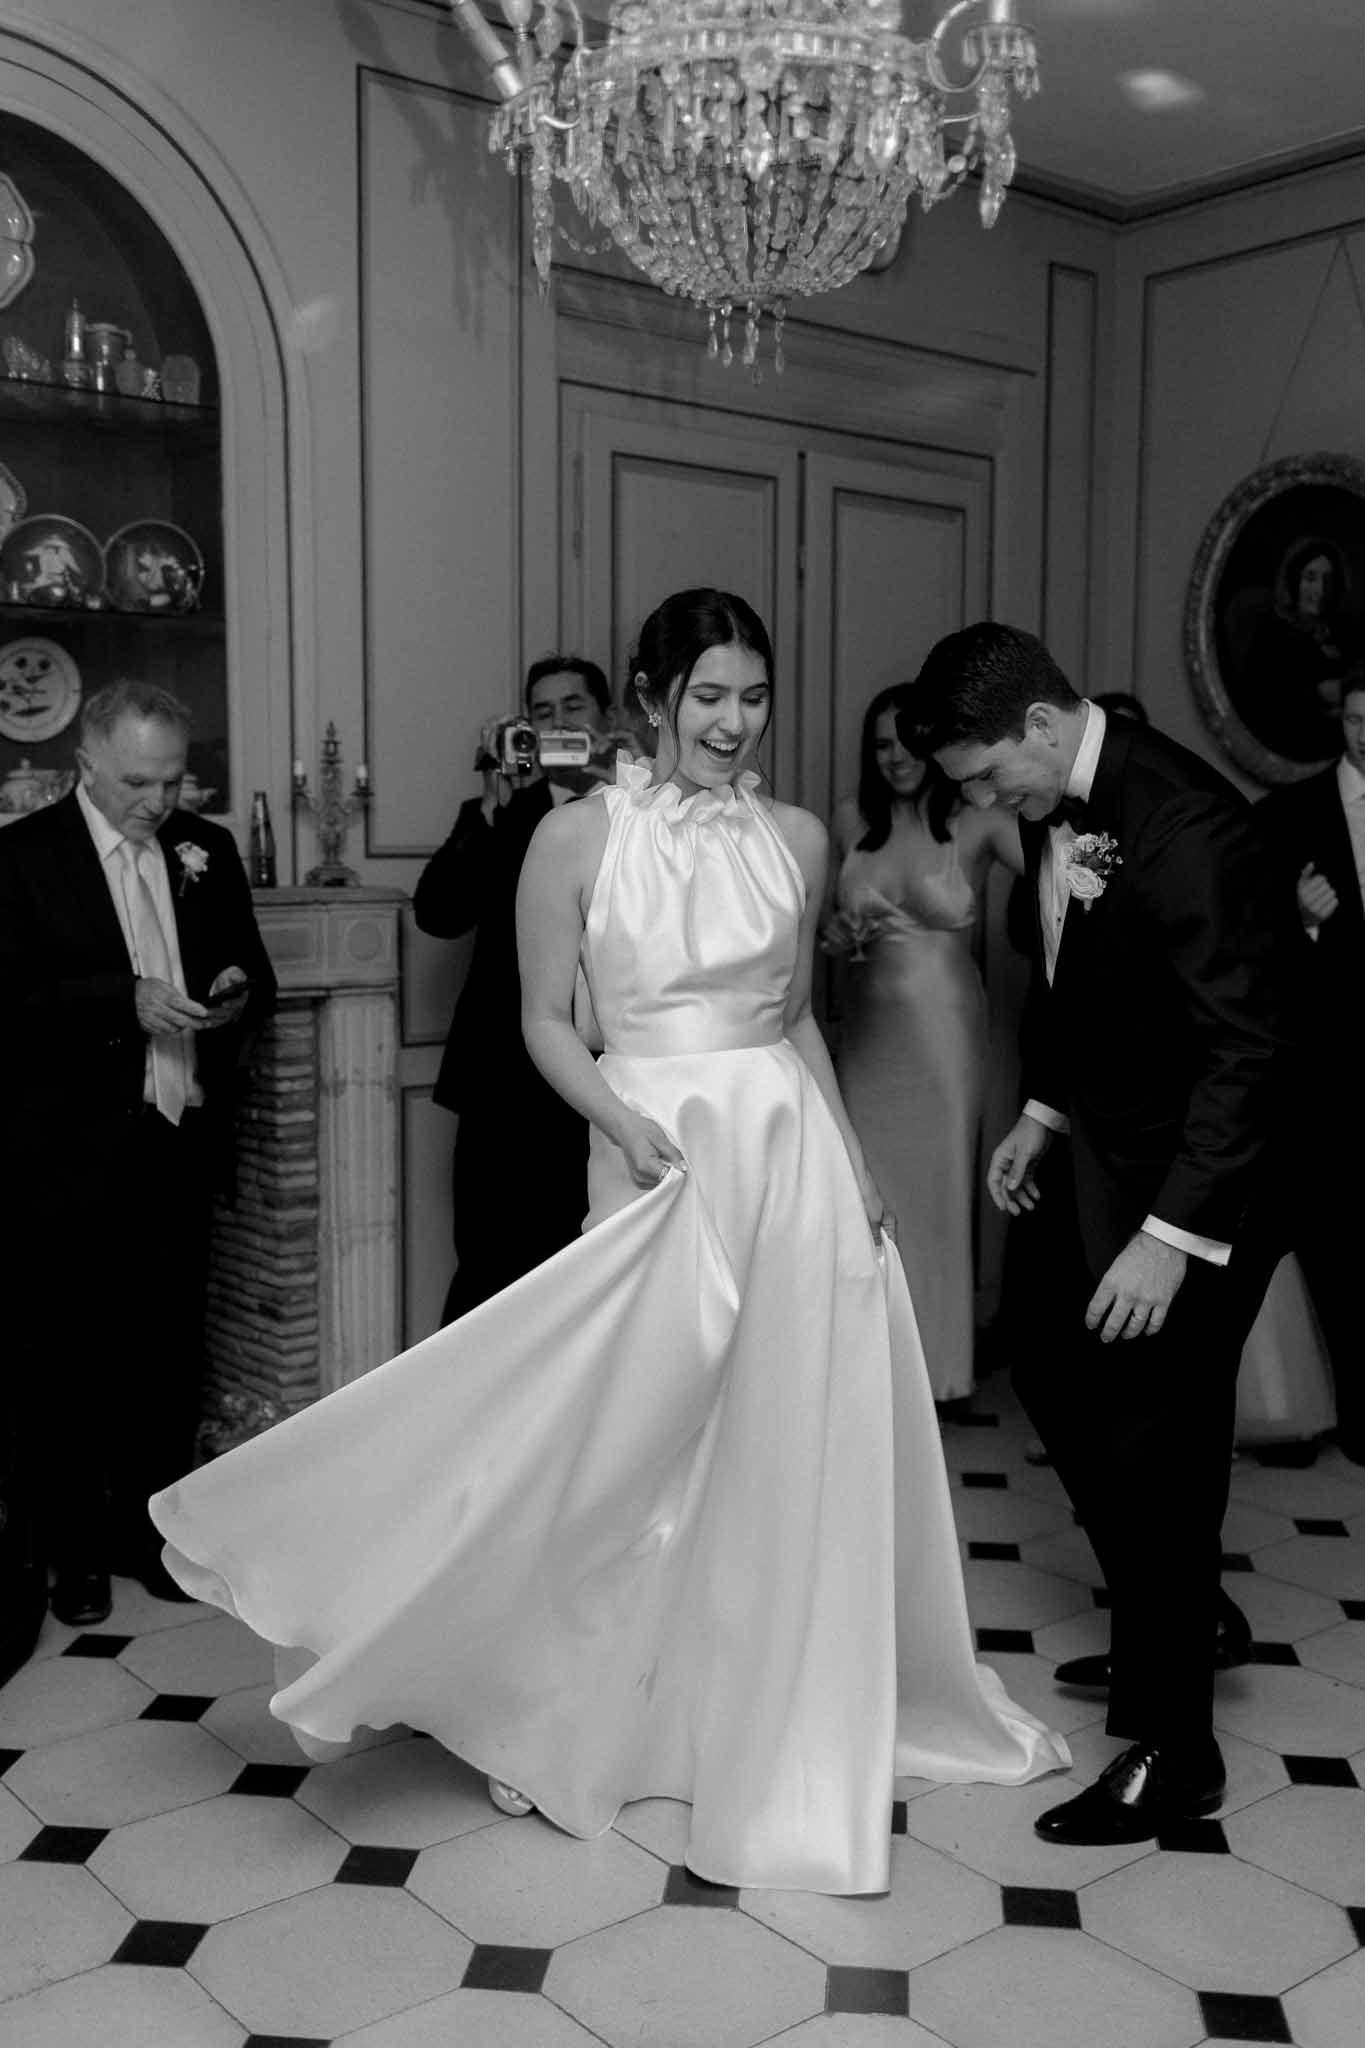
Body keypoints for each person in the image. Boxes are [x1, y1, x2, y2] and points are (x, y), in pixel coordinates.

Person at [150, 590, 1067, 1897]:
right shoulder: (575, 838)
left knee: (776, 1442)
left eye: (752, 695)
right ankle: (559, 1700)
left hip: (787, 1159)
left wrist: (854, 1171)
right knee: (626, 1442)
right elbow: (542, 1022)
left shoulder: (797, 834)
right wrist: (622, 1127)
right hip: (650, 1144)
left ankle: (751, 1703)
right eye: (707, 696)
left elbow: (796, 1021)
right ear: (652, 698)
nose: (734, 722)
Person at [909, 622, 1296, 1848]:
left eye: (982, 773)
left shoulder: (1187, 823)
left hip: (1212, 1181)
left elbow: (1250, 1052)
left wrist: (1171, 1237)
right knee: (1051, 1360)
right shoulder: (1052, 804)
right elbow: (1088, 992)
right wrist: (1039, 1111)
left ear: (1037, 724)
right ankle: (1181, 1609)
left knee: (1161, 1440)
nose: (978, 800)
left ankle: (1174, 1747)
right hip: (1106, 1145)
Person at [0, 679, 276, 1632]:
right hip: (67, 1158)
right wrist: (118, 1000)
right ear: (85, 764)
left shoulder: (211, 850)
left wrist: (237, 990)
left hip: (177, 1144)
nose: (158, 804)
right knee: (70, 1363)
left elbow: (253, 968)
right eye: (137, 783)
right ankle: (73, 1555)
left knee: (166, 1357)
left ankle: (151, 1539)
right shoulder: (21, 859)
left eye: (171, 781)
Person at [825, 683, 1022, 1405]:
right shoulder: (850, 821)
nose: (896, 758)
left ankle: (938, 1371)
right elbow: (821, 931)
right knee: (862, 1195)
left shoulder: (980, 817)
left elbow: (1071, 876)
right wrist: (837, 937)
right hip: (867, 1035)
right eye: (880, 746)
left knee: (938, 1197)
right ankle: (869, 1369)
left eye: (909, 742)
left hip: (942, 1039)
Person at [413, 656, 614, 1322]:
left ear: (604, 718)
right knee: (489, 1266)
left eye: (573, 709)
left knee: (586, 1265)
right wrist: (492, 812)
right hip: (499, 1081)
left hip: (601, 1076)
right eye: (542, 713)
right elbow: (438, 913)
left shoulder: (634, 810)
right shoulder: (497, 809)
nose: (557, 723)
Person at [1254, 675, 1365, 1462]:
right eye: (1360, 720)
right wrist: (1302, 923)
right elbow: (1243, 951)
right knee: (1333, 1241)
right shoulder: (1286, 817)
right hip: (1328, 1072)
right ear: (1342, 718)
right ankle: (1334, 1410)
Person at [1235, 536, 1362, 765]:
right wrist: (1317, 697)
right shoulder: (1273, 635)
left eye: (1328, 580)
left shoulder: (1342, 632)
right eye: (1310, 578)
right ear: (1294, 581)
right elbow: (1263, 701)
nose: (1320, 590)